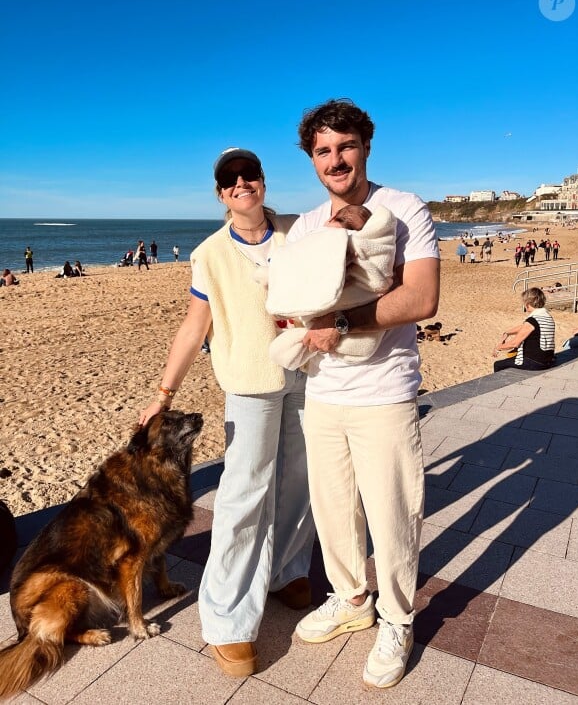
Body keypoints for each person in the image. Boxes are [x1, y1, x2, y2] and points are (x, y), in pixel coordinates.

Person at [138, 147, 315, 678]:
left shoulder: (297, 230)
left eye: (249, 175)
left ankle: (287, 570)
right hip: (250, 384)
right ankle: (227, 620)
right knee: (244, 494)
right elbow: (195, 327)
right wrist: (163, 394)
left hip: (306, 375)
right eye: (230, 180)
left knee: (297, 481)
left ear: (262, 182)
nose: (242, 184)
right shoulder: (210, 254)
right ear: (221, 194)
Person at [287, 99, 440, 689]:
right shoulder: (304, 225)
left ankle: (397, 620)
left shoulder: (403, 208)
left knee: (393, 513)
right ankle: (351, 599)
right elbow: (293, 299)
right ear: (312, 159)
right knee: (333, 510)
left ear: (365, 147)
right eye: (323, 151)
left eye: (344, 146)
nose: (335, 159)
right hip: (323, 390)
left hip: (384, 393)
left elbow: (421, 299)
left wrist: (343, 322)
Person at [265, 203, 396, 370]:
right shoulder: (304, 223)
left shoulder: (316, 233)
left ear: (332, 218)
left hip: (387, 371)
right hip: (320, 379)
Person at [492, 287, 555, 371]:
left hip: (536, 362)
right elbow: (524, 327)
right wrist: (507, 333)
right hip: (547, 359)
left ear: (528, 304)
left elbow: (514, 343)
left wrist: (498, 347)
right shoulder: (546, 316)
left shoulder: (533, 320)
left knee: (498, 365)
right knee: (512, 357)